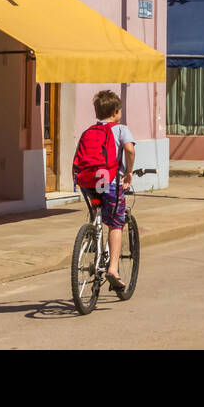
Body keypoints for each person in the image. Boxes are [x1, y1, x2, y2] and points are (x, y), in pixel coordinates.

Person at [72, 90, 137, 294]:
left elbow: (77, 157)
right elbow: (130, 150)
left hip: (88, 181)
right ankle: (113, 269)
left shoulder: (88, 131)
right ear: (116, 111)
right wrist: (128, 172)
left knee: (97, 209)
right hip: (109, 180)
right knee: (116, 224)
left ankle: (93, 234)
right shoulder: (121, 129)